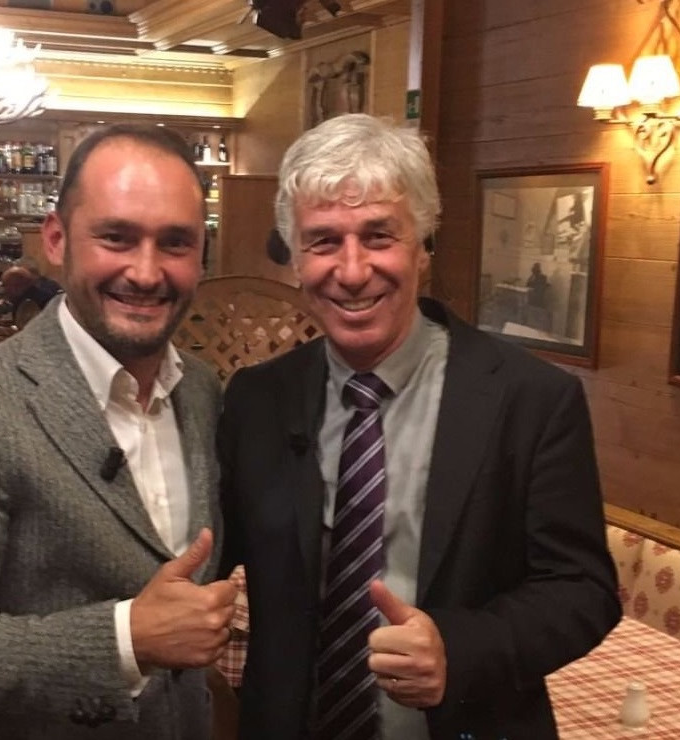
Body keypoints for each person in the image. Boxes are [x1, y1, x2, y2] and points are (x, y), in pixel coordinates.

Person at [218, 114, 620, 739]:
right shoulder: (256, 401)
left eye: (379, 236)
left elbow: (583, 589)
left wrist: (460, 649)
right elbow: (214, 554)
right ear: (294, 258)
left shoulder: (531, 399)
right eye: (323, 242)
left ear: (423, 248)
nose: (353, 271)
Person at [0, 123, 232, 739]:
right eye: (116, 237)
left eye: (175, 243)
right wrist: (125, 640)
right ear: (57, 239)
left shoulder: (201, 390)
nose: (147, 272)